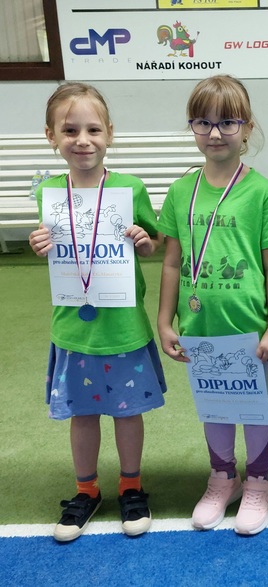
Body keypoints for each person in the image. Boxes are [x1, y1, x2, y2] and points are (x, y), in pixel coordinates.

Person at [28, 83, 166, 542]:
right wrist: (38, 243)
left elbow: (155, 242)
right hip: (74, 329)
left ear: (110, 132)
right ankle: (86, 490)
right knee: (83, 415)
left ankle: (131, 486)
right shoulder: (49, 191)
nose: (82, 140)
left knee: (127, 413)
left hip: (124, 327)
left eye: (93, 129)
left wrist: (145, 241)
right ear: (51, 135)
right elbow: (54, 249)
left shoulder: (130, 188)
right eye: (70, 130)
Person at [157, 75, 268, 536]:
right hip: (199, 325)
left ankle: (258, 482)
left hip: (248, 327)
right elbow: (171, 262)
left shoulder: (262, 192)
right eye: (203, 122)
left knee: (251, 404)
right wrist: (164, 319)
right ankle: (222, 478)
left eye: (227, 122)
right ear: (192, 127)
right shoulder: (181, 191)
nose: (215, 133)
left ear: (247, 128)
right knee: (213, 404)